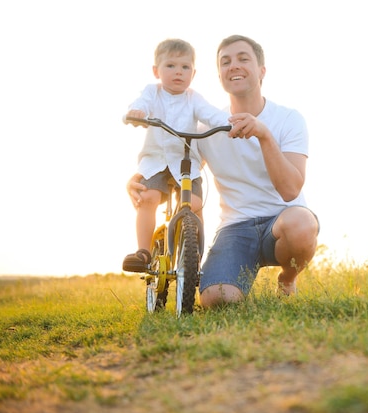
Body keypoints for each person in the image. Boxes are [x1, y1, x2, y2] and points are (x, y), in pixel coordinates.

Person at [127, 35, 319, 307]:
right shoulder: (206, 129)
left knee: (302, 224)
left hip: (282, 220)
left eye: (243, 58)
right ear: (219, 76)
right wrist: (138, 179)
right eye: (225, 62)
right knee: (217, 299)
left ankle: (287, 278)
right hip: (235, 228)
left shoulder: (288, 119)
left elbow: (290, 190)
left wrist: (264, 135)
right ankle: (230, 273)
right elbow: (181, 168)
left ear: (261, 70)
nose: (234, 66)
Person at [122, 38, 230, 273]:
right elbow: (142, 102)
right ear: (156, 71)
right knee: (148, 197)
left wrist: (229, 123)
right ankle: (143, 251)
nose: (178, 72)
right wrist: (137, 112)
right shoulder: (153, 92)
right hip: (156, 160)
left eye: (185, 67)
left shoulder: (194, 98)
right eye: (170, 66)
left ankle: (194, 255)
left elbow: (211, 114)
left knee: (195, 204)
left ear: (194, 72)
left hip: (186, 162)